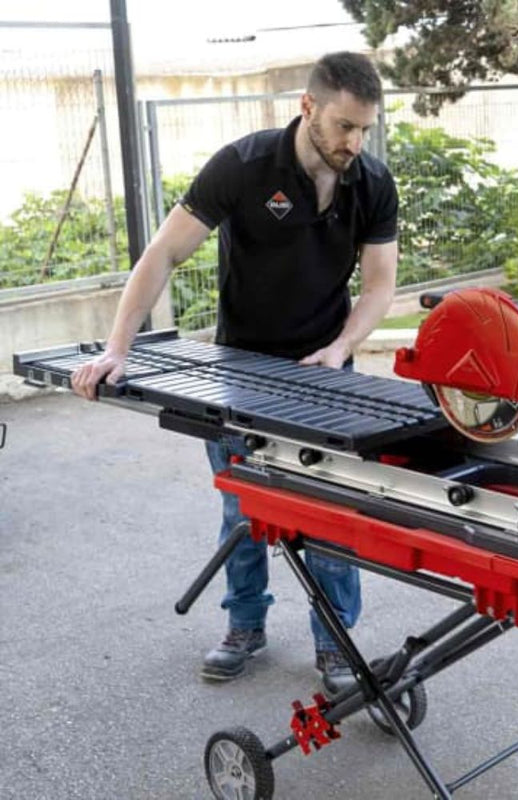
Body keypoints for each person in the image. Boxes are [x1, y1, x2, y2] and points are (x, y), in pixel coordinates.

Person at [71, 51, 398, 691]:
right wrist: (117, 348)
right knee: (245, 509)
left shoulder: (373, 182)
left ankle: (336, 647)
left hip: (323, 370)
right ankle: (244, 626)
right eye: (343, 127)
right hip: (240, 369)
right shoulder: (244, 167)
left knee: (332, 513)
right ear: (308, 109)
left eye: (365, 129)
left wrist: (341, 348)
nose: (354, 143)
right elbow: (164, 252)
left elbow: (381, 285)